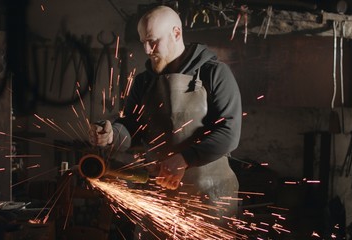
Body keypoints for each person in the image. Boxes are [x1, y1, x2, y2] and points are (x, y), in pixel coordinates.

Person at [88, 5, 242, 226]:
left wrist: (184, 159)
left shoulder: (214, 73)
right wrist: (112, 134)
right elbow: (130, 127)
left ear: (176, 33)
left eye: (153, 41)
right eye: (143, 42)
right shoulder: (143, 82)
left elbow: (229, 133)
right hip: (160, 198)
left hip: (210, 195)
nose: (148, 50)